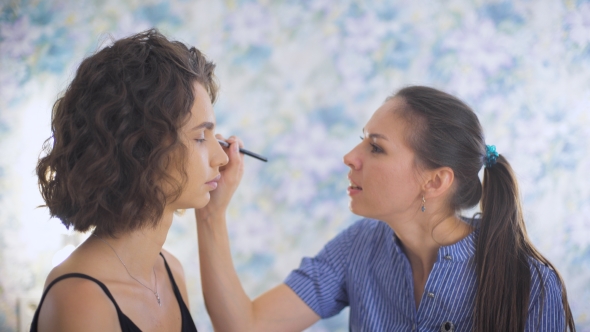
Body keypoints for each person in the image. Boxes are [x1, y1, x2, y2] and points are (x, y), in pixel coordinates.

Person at [196, 86, 576, 331]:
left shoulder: (530, 283)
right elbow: (245, 326)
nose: (349, 157)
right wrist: (211, 214)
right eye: (362, 142)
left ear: (435, 181)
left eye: (375, 147)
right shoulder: (359, 247)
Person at [31, 29, 236, 331]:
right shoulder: (81, 298)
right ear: (141, 148)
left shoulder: (170, 272)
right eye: (199, 137)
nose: (223, 158)